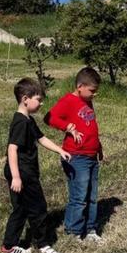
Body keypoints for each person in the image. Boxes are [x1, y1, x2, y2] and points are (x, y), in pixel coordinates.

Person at [1, 78, 71, 253]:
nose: (41, 103)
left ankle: (8, 247)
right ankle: (43, 244)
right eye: (38, 99)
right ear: (26, 99)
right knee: (39, 209)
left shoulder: (28, 120)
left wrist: (60, 150)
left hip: (23, 172)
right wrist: (16, 177)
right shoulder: (20, 122)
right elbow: (12, 149)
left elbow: (41, 138)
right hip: (23, 173)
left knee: (21, 209)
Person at [45, 66, 104, 241]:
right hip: (76, 156)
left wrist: (98, 147)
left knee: (92, 196)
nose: (95, 94)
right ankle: (74, 230)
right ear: (80, 86)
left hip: (91, 155)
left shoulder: (87, 101)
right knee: (79, 196)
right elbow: (49, 117)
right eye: (92, 91)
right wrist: (66, 127)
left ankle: (91, 229)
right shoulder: (68, 101)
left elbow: (90, 126)